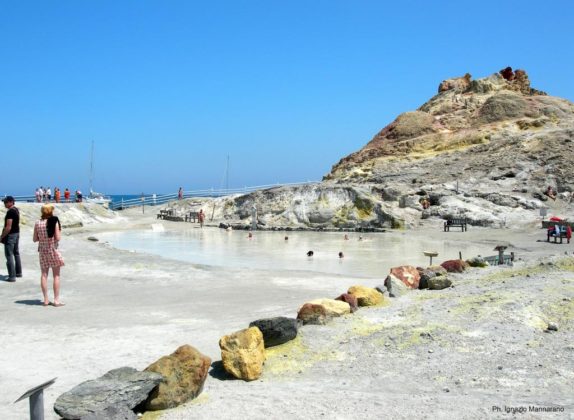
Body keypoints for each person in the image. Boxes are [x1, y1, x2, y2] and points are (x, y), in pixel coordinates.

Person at [33, 204, 65, 307]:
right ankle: (56, 300)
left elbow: (35, 239)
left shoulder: (37, 223)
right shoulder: (53, 221)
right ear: (51, 211)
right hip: (52, 250)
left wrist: (42, 238)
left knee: (44, 275)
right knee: (56, 275)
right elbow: (58, 237)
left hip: (42, 250)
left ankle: (46, 300)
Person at [1, 196, 22, 282]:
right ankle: (18, 272)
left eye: (6, 202)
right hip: (16, 233)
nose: (4, 204)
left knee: (9, 255)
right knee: (16, 253)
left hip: (11, 235)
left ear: (11, 202)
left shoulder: (10, 212)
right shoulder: (16, 210)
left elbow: (8, 227)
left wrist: (1, 236)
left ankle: (12, 276)